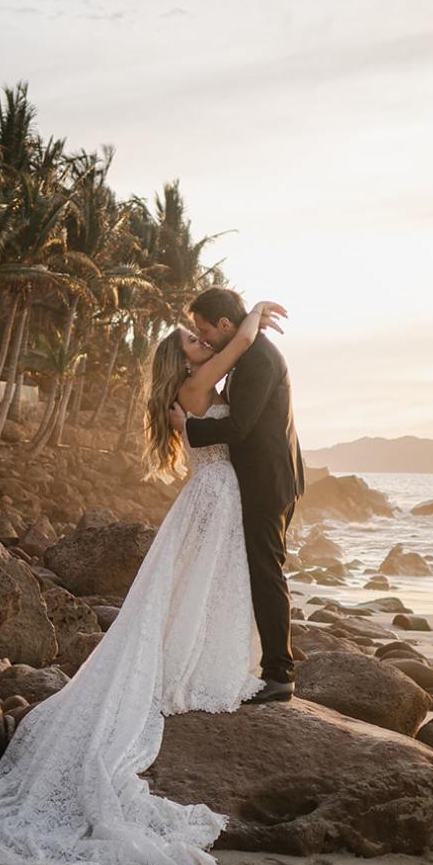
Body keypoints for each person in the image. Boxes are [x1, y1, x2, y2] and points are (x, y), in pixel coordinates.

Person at [0, 298, 289, 865]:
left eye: (199, 335)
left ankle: (214, 656)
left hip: (218, 497)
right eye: (191, 340)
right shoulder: (195, 384)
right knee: (212, 582)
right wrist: (252, 317)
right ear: (181, 359)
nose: (199, 342)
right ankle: (210, 663)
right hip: (217, 497)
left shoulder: (189, 387)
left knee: (211, 584)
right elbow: (237, 353)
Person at [172, 286, 305, 703]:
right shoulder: (246, 355)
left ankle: (279, 675)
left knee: (267, 574)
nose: (204, 337)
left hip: (267, 483)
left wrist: (188, 430)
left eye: (204, 329)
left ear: (226, 324)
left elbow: (239, 426)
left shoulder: (259, 359)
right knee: (258, 572)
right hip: (260, 480)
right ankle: (253, 664)